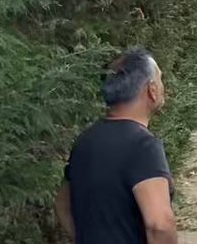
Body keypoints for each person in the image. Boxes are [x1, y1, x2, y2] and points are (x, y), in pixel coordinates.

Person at [56, 48, 178, 244]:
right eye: (160, 79)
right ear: (152, 90)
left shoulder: (86, 140)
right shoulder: (143, 146)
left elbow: (63, 204)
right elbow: (160, 225)